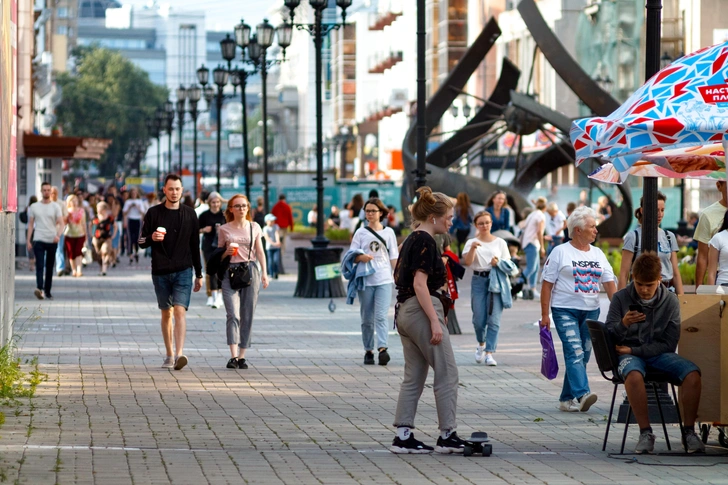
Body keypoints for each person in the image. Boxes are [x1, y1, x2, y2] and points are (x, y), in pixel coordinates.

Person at [390, 186, 466, 454]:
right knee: (447, 370)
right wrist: (435, 321)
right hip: (422, 310)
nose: (451, 221)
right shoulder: (425, 241)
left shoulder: (411, 239)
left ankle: (403, 435)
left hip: (405, 313)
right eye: (449, 216)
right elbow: (420, 284)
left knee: (414, 375)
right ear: (433, 217)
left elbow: (399, 275)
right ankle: (448, 435)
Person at [605, 252, 705, 454]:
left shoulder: (670, 301)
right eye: (639, 283)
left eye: (649, 285)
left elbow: (669, 343)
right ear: (633, 279)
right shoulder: (620, 298)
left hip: (655, 353)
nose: (643, 289)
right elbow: (607, 336)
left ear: (660, 280)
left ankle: (689, 432)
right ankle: (645, 432)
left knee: (692, 374)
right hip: (628, 355)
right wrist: (623, 325)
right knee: (633, 374)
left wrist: (635, 349)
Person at [540, 206, 617, 413]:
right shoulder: (560, 252)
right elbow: (547, 285)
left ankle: (566, 399)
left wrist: (618, 310)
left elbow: (609, 283)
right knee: (574, 351)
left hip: (591, 311)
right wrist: (544, 315)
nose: (596, 230)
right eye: (592, 227)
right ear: (577, 230)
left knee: (582, 355)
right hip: (564, 310)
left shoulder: (598, 253)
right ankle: (583, 394)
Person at [138, 174, 203, 371]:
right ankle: (169, 354)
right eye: (171, 189)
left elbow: (195, 245)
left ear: (182, 190)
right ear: (164, 190)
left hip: (184, 269)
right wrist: (152, 237)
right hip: (160, 271)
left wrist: (199, 274)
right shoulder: (153, 213)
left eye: (177, 189)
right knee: (166, 313)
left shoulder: (190, 214)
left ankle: (180, 354)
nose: (174, 192)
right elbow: (141, 242)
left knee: (179, 310)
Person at [218, 194, 269, 370]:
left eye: (244, 206)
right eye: (237, 206)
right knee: (233, 314)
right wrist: (227, 252)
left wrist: (265, 273)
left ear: (248, 208)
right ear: (231, 209)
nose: (241, 209)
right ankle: (232, 356)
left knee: (247, 314)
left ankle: (241, 356)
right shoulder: (224, 229)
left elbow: (260, 251)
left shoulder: (254, 227)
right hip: (229, 272)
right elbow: (219, 255)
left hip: (250, 270)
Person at [349, 198, 399, 366]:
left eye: (373, 211)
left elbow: (393, 256)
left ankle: (383, 348)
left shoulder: (389, 233)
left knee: (381, 316)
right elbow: (351, 256)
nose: (369, 214)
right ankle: (368, 349)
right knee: (367, 318)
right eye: (367, 211)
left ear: (381, 213)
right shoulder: (360, 233)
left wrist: (397, 275)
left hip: (384, 279)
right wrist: (361, 257)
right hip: (366, 280)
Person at [463, 211, 513, 366]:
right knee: (479, 319)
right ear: (476, 225)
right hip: (479, 280)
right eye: (481, 223)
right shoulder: (471, 241)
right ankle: (481, 344)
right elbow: (468, 262)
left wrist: (497, 262)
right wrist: (472, 248)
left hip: (496, 280)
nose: (484, 226)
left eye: (487, 222)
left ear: (491, 223)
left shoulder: (500, 242)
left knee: (494, 320)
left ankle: (489, 353)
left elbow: (508, 264)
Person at [618, 192, 683, 294]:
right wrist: (621, 302)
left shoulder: (669, 236)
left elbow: (675, 273)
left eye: (662, 210)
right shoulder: (633, 236)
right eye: (656, 210)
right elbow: (624, 273)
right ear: (643, 210)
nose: (660, 214)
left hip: (667, 292)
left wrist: (682, 300)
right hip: (641, 292)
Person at [27, 182, 64, 300]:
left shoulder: (55, 206)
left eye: (48, 190)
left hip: (52, 239)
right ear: (41, 191)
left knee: (49, 266)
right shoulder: (34, 207)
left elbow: (62, 223)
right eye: (44, 190)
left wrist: (58, 235)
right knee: (40, 265)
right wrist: (28, 240)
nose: (47, 192)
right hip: (38, 239)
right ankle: (40, 289)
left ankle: (48, 290)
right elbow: (31, 224)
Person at [695, 181, 727, 290]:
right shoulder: (708, 215)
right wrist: (698, 289)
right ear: (719, 186)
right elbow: (703, 256)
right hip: (719, 279)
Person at [198, 192, 227, 308]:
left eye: (218, 202)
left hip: (221, 246)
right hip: (208, 245)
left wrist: (222, 230)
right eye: (213, 202)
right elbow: (196, 229)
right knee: (210, 270)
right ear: (209, 203)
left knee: (221, 270)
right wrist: (204, 229)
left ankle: (220, 295)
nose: (216, 205)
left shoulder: (225, 215)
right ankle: (211, 295)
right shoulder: (204, 215)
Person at [521, 197, 547, 300]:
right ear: (545, 207)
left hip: (528, 242)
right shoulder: (541, 216)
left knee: (535, 268)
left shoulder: (532, 214)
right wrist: (542, 247)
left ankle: (532, 289)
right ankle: (518, 285)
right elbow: (539, 232)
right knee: (531, 268)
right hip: (533, 243)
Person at [64, 195, 87, 277]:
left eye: (75, 200)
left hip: (80, 234)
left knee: (78, 251)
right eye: (72, 201)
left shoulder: (81, 211)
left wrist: (86, 234)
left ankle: (79, 270)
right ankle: (73, 270)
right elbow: (64, 222)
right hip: (69, 234)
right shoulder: (67, 211)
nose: (74, 202)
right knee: (71, 253)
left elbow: (84, 224)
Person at [92, 202, 117, 276]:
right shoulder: (95, 217)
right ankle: (101, 269)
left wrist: (114, 235)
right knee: (98, 254)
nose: (98, 210)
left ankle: (104, 270)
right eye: (97, 209)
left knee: (105, 251)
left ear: (104, 209)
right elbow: (91, 225)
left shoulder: (109, 218)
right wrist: (91, 235)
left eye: (99, 209)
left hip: (107, 237)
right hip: (97, 238)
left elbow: (115, 226)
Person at [271, 193, 294, 273]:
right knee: (283, 242)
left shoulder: (275, 206)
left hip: (277, 226)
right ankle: (281, 253)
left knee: (277, 240)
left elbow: (272, 215)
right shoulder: (287, 206)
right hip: (284, 227)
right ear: (284, 199)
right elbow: (290, 217)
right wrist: (291, 227)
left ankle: (278, 251)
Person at [123, 187, 146, 264]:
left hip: (137, 220)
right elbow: (124, 212)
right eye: (132, 193)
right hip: (130, 220)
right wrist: (130, 207)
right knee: (130, 238)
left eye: (135, 193)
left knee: (137, 237)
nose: (133, 195)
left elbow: (143, 213)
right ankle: (130, 254)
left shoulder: (139, 201)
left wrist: (137, 207)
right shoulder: (128, 202)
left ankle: (136, 252)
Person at [51, 186, 69, 277]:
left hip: (59, 230)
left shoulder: (61, 204)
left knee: (59, 249)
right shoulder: (46, 203)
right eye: (51, 193)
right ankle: (46, 268)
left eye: (54, 193)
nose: (53, 195)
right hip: (48, 231)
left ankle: (60, 268)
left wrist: (59, 219)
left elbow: (66, 216)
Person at [450, 192, 473, 258]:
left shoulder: (458, 208)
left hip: (459, 229)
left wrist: (451, 230)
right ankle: (464, 254)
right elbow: (471, 219)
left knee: (458, 243)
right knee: (463, 242)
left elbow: (455, 220)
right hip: (467, 229)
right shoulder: (469, 208)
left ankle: (460, 256)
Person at [263, 214, 282, 279]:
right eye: (271, 221)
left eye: (273, 220)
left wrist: (278, 241)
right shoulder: (265, 228)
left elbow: (277, 234)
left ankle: (276, 273)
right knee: (270, 261)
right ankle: (271, 274)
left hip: (276, 247)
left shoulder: (276, 226)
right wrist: (273, 243)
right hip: (269, 247)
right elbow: (267, 238)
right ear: (267, 221)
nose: (272, 222)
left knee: (276, 260)